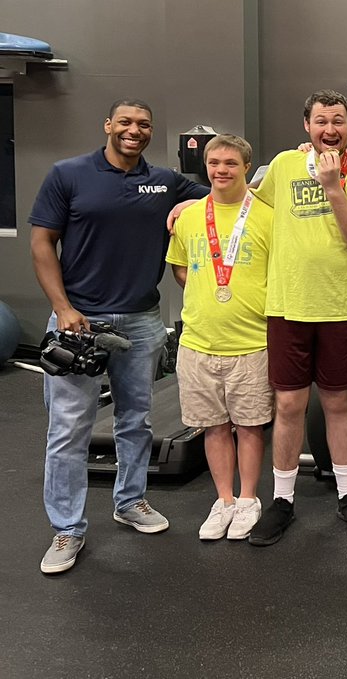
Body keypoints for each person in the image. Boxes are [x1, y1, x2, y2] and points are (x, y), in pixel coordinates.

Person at [31, 98, 209, 574]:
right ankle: (67, 528)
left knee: (137, 420)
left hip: (142, 320)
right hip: (80, 322)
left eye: (144, 124)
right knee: (68, 430)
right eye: (126, 122)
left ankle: (130, 501)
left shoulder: (166, 181)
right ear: (108, 124)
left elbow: (226, 187)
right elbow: (41, 242)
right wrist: (63, 308)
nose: (135, 130)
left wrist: (296, 159)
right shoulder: (68, 174)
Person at [247, 89, 347, 546]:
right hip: (288, 304)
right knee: (288, 405)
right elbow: (243, 205)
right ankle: (283, 500)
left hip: (341, 306)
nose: (331, 129)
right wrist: (194, 204)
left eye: (339, 121)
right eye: (322, 121)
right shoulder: (285, 165)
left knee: (336, 402)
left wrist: (333, 188)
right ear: (306, 125)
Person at [165, 134, 273, 540]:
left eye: (230, 163)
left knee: (248, 426)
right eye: (214, 163)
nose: (221, 170)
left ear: (247, 167)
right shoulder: (190, 217)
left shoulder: (266, 215)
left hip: (253, 342)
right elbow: (179, 268)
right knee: (212, 427)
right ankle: (224, 500)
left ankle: (248, 500)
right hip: (198, 342)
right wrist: (206, 291)